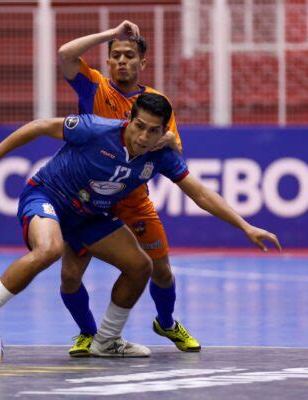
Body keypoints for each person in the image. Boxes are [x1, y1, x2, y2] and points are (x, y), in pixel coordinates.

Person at [0, 94, 281, 358]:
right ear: (129, 119)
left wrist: (245, 227)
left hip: (91, 215)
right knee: (50, 250)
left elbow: (200, 194)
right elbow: (42, 126)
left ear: (164, 132)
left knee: (141, 266)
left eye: (153, 131)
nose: (143, 136)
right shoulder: (95, 129)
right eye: (139, 126)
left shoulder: (161, 156)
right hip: (48, 195)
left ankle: (106, 341)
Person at [57, 20, 198, 357]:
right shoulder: (94, 88)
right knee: (70, 276)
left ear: (142, 63)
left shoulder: (156, 102)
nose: (122, 60)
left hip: (133, 200)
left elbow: (174, 144)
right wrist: (111, 34)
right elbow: (64, 54)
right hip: (89, 200)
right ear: (107, 62)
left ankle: (165, 322)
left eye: (129, 55)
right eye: (116, 55)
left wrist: (165, 141)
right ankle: (89, 333)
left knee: (162, 272)